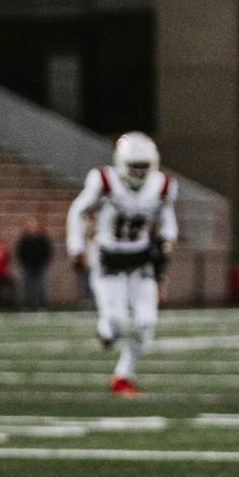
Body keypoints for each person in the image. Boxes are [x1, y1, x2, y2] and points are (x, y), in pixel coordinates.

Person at [66, 133, 178, 394]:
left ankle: (122, 376)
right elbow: (77, 210)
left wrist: (167, 240)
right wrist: (76, 247)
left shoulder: (162, 186)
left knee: (146, 323)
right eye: (134, 165)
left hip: (141, 261)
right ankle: (107, 332)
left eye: (143, 166)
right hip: (109, 260)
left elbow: (168, 219)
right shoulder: (104, 181)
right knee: (115, 323)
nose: (139, 172)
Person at [15, 218, 53, 309]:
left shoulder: (43, 239)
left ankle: (41, 305)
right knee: (27, 286)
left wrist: (43, 262)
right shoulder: (24, 239)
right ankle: (27, 305)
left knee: (40, 286)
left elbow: (47, 252)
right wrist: (25, 263)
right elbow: (20, 252)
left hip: (40, 266)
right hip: (28, 266)